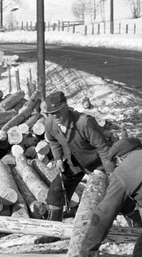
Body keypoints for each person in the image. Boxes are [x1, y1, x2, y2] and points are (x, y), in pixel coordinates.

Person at [41, 90, 117, 222]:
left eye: (58, 111)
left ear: (66, 106)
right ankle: (53, 229)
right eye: (52, 113)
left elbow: (103, 147)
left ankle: (135, 222)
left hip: (96, 160)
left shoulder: (83, 122)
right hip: (73, 161)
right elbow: (53, 141)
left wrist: (111, 172)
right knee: (56, 190)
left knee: (114, 190)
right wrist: (58, 159)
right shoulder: (49, 123)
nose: (55, 116)